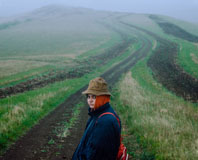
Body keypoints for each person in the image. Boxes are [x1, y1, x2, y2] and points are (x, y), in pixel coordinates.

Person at [72, 77, 121, 160]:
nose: (90, 100)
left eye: (94, 97)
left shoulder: (105, 122)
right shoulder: (97, 114)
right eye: (88, 96)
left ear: (103, 97)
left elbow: (96, 155)